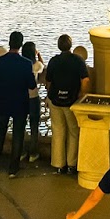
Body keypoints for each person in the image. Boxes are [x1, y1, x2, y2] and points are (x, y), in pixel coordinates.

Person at [0, 31, 36, 177]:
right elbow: (32, 85)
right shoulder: (26, 64)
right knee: (18, 135)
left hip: (2, 101)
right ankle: (13, 168)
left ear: (9, 43)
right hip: (20, 103)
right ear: (20, 45)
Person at [45, 34, 90, 174]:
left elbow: (48, 82)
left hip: (55, 101)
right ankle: (72, 164)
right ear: (70, 46)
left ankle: (59, 164)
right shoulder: (78, 61)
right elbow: (86, 80)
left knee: (58, 131)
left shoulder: (53, 61)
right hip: (72, 101)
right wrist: (81, 95)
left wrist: (50, 93)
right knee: (73, 132)